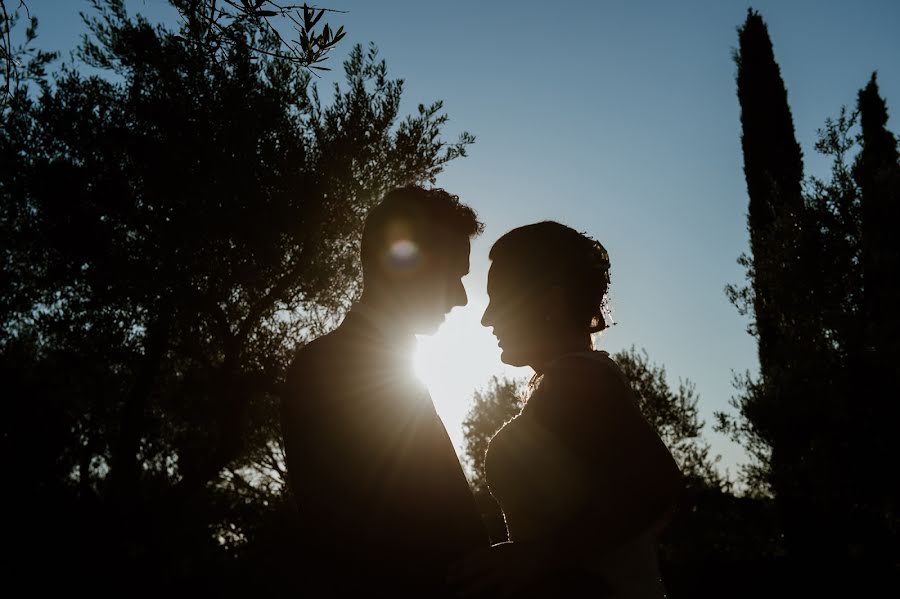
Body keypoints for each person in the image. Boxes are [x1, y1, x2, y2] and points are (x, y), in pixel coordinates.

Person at [449, 221, 683, 598]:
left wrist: (537, 557)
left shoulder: (578, 379)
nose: (486, 318)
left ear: (549, 303)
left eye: (499, 298)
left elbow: (658, 485)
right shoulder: (569, 377)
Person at [280, 185, 490, 596]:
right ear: (406, 264)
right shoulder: (333, 367)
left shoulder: (383, 365)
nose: (463, 298)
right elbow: (357, 538)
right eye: (454, 275)